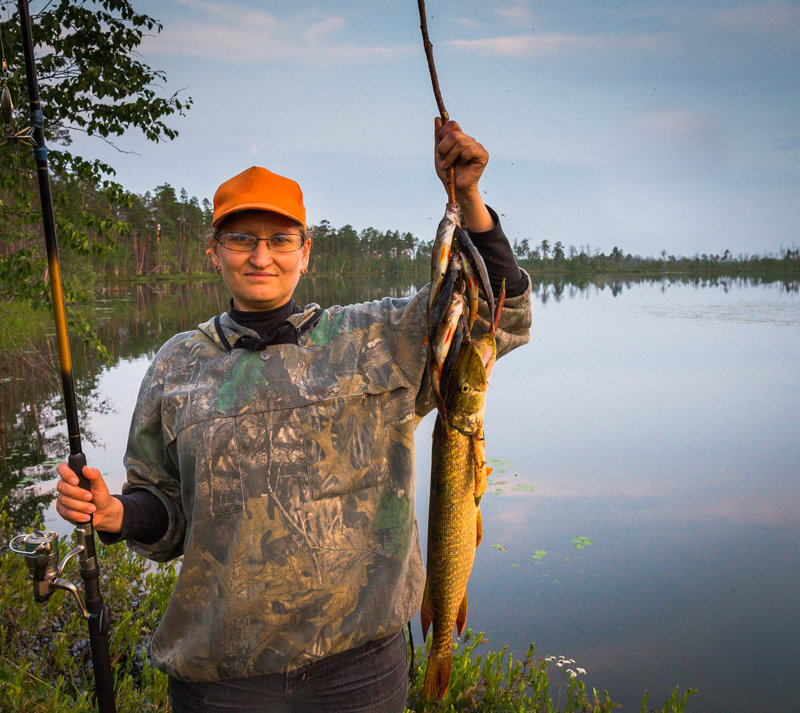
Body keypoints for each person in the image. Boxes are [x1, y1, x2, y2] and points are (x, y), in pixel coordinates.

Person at [55, 118, 532, 713]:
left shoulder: (376, 338)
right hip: (218, 679)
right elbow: (167, 512)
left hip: (358, 674)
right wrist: (116, 512)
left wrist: (469, 204)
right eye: (241, 239)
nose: (261, 256)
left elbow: (499, 318)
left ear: (306, 253)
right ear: (214, 251)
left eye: (280, 240)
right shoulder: (177, 365)